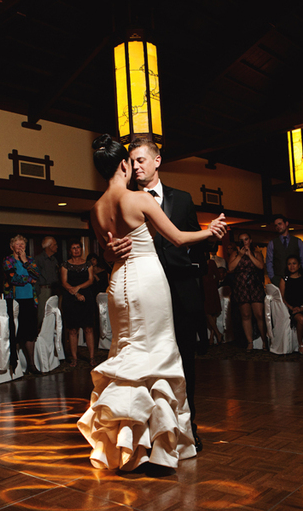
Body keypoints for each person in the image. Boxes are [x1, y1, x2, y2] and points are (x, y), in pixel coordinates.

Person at [77, 133, 226, 472]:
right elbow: (176, 237)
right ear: (123, 164)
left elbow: (106, 250)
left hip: (119, 286)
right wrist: (210, 231)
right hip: (148, 282)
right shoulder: (140, 200)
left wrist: (106, 252)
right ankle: (159, 444)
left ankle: (126, 444)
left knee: (126, 353)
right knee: (157, 354)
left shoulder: (95, 209)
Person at [104, 136, 209, 452]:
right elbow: (108, 249)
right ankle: (149, 432)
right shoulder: (126, 199)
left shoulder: (184, 199)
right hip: (145, 293)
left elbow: (193, 244)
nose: (135, 166)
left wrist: (193, 275)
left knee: (183, 362)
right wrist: (112, 252)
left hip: (179, 289)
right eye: (132, 161)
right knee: (146, 363)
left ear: (157, 161)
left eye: (140, 160)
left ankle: (186, 426)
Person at [2, 235, 40, 374]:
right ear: (12, 247)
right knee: (16, 332)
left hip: (30, 299)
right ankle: (16, 366)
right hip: (14, 299)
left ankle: (31, 364)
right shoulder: (8, 260)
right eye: (17, 245)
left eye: (22, 244)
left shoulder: (29, 260)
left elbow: (37, 274)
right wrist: (30, 279)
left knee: (30, 332)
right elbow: (13, 278)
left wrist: (25, 261)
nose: (20, 247)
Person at [228, 232, 268, 352]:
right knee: (245, 315)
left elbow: (260, 266)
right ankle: (250, 342)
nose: (244, 242)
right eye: (241, 240)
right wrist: (240, 256)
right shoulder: (235, 254)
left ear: (250, 240)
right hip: (241, 287)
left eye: (246, 239)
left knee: (259, 315)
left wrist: (250, 254)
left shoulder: (256, 253)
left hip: (255, 285)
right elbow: (230, 268)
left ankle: (264, 341)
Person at [61, 240, 95, 367]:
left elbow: (91, 280)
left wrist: (78, 288)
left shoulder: (88, 264)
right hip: (70, 298)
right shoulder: (65, 265)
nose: (76, 250)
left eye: (78, 248)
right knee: (73, 329)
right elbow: (64, 282)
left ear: (81, 249)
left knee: (88, 328)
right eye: (74, 248)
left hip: (86, 297)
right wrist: (75, 293)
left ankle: (92, 357)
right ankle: (74, 358)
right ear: (70, 250)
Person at [280, 255, 303, 354]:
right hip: (290, 308)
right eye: (289, 264)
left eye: (294, 263)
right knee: (301, 319)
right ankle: (300, 345)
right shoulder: (284, 279)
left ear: (299, 265)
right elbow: (282, 298)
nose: (292, 266)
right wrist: (291, 308)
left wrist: (302, 307)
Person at [266, 214, 303, 287]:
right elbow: (269, 262)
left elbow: (302, 259)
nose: (278, 227)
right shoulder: (272, 243)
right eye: (276, 225)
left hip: (296, 278)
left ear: (286, 223)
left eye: (280, 224)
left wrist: (301, 275)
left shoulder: (298, 241)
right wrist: (273, 278)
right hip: (278, 278)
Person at [35, 236, 60, 329]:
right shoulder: (39, 259)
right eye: (55, 245)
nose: (57, 246)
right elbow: (35, 277)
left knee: (54, 315)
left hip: (54, 290)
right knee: (42, 315)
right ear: (49, 246)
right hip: (43, 290)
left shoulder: (54, 260)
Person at [202, 245, 223, 345]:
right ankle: (217, 334)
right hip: (203, 289)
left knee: (212, 312)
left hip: (211, 289)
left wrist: (213, 282)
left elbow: (218, 276)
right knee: (208, 312)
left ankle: (212, 337)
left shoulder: (211, 263)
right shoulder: (200, 264)